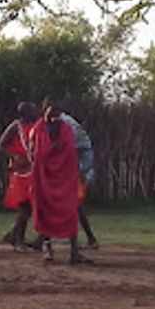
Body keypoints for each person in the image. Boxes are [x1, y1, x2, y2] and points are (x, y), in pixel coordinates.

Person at [30, 101, 91, 264]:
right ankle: (47, 248)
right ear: (44, 111)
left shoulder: (66, 129)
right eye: (50, 113)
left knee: (70, 211)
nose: (53, 117)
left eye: (56, 114)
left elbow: (70, 153)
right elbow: (33, 152)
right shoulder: (38, 129)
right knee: (44, 211)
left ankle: (74, 252)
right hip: (44, 176)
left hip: (64, 178)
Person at [0, 102, 40, 251]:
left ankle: (14, 235)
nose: (36, 112)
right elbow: (0, 146)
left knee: (32, 206)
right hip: (21, 172)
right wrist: (14, 157)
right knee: (25, 206)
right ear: (25, 113)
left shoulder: (35, 126)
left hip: (33, 169)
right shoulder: (16, 127)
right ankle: (18, 241)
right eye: (32, 110)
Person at [59, 108, 100, 249]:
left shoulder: (64, 123)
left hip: (78, 168)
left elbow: (70, 147)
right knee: (73, 205)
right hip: (80, 167)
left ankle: (44, 239)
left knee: (71, 204)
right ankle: (89, 239)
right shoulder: (67, 122)